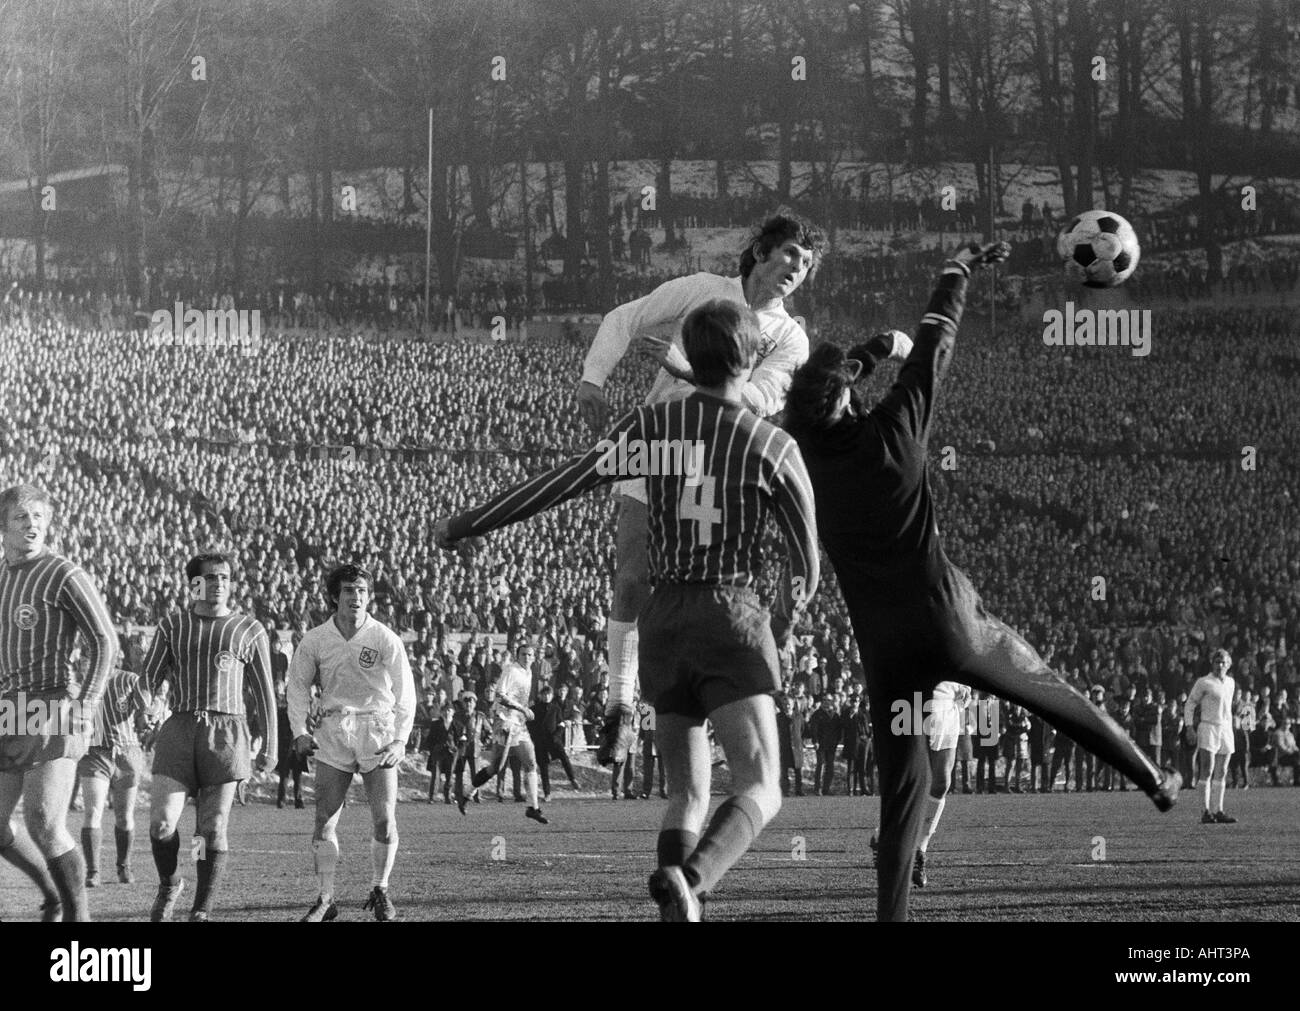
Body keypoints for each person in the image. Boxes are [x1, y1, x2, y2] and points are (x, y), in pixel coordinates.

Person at [781, 241, 1180, 922]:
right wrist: (955, 272)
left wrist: (869, 352)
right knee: (1051, 691)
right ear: (850, 389)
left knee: (902, 794)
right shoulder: (896, 433)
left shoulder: (803, 455)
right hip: (953, 626)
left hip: (886, 650)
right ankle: (1152, 778)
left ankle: (892, 917)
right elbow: (935, 343)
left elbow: (820, 398)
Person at [438, 298, 820, 920]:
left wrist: (467, 521)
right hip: (731, 615)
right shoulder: (772, 446)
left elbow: (563, 481)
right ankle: (693, 882)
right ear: (752, 358)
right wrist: (779, 627)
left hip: (662, 621)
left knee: (686, 792)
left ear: (690, 361)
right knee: (760, 786)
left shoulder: (651, 426)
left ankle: (677, 906)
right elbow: (805, 569)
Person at [574, 213, 827, 761]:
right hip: (659, 446)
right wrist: (594, 377)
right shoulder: (702, 292)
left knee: (708, 589)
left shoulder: (789, 337)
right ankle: (620, 703)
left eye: (804, 265)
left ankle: (719, 702)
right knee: (631, 580)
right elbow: (627, 317)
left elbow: (758, 399)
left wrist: (686, 370)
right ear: (760, 251)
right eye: (788, 255)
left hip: (724, 465)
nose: (794, 269)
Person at [0, 484, 116, 922]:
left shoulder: (63, 573)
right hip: (9, 707)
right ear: (3, 525)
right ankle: (51, 894)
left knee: (45, 823)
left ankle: (77, 918)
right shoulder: (1, 575)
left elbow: (105, 640)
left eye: (39, 518)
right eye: (21, 518)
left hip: (54, 705)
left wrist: (86, 703)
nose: (32, 526)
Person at [141, 552, 277, 922]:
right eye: (211, 577)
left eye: (225, 578)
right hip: (180, 728)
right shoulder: (173, 625)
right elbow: (149, 677)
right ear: (194, 583)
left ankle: (201, 907)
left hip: (227, 733)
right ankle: (170, 884)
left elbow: (264, 693)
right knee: (162, 825)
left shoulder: (249, 630)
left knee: (210, 828)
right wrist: (148, 702)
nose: (219, 584)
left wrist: (271, 746)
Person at [288, 564, 415, 922]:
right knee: (324, 821)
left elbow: (406, 692)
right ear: (334, 596)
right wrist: (300, 730)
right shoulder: (315, 639)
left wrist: (400, 740)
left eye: (361, 590)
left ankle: (380, 890)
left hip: (376, 731)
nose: (355, 597)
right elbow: (297, 686)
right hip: (333, 730)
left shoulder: (384, 637)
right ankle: (326, 899)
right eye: (348, 590)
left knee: (384, 821)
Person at [78, 667, 153, 887]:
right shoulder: (84, 678)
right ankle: (93, 872)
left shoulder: (130, 679)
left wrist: (148, 716)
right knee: (93, 812)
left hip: (126, 753)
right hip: (94, 752)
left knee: (125, 816)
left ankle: (124, 867)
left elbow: (143, 717)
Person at [459, 643, 548, 824]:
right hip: (504, 722)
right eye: (523, 654)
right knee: (496, 768)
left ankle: (533, 807)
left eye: (530, 655)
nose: (527, 657)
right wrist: (523, 709)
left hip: (518, 724)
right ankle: (466, 794)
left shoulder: (529, 672)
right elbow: (500, 696)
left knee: (531, 763)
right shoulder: (511, 670)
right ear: (517, 655)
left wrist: (524, 711)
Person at [1184, 649, 1238, 824]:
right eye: (1217, 662)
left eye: (1223, 662)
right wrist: (1189, 726)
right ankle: (1205, 811)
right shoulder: (1204, 682)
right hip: (1208, 727)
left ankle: (1218, 810)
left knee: (1222, 771)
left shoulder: (1230, 682)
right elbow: (1190, 703)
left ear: (1228, 664)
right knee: (1207, 769)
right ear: (1212, 663)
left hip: (1226, 729)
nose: (1220, 665)